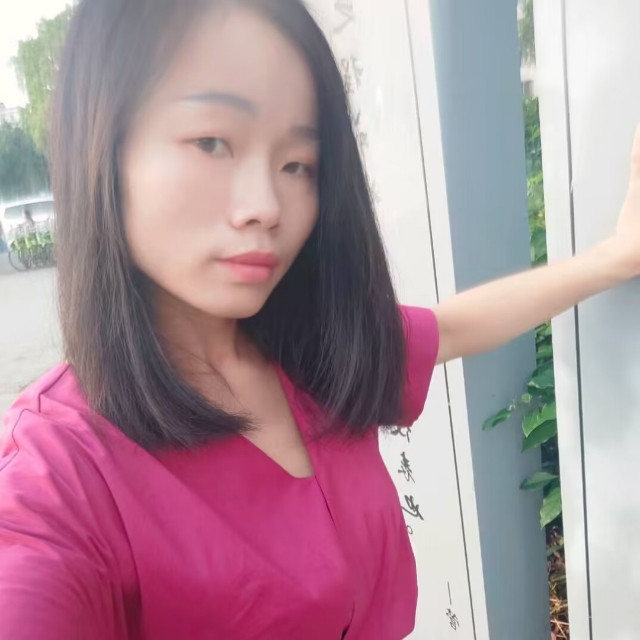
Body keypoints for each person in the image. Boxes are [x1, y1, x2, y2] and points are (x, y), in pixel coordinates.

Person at [0, 0, 638, 638]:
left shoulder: (313, 350)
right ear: (101, 147)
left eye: (297, 165)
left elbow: (456, 326)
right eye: (212, 142)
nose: (266, 206)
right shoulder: (57, 474)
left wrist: (614, 258)